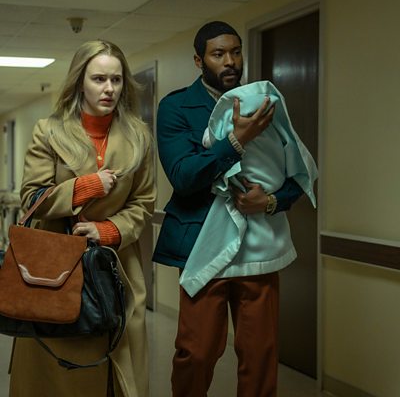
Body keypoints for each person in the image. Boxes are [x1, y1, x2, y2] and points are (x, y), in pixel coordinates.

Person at [152, 21, 314, 397]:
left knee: (260, 355)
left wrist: (270, 201)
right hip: (204, 245)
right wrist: (237, 140)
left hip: (260, 248)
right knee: (196, 353)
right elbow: (184, 177)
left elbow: (296, 169)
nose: (230, 61)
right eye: (218, 54)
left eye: (235, 52)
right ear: (199, 60)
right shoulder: (176, 106)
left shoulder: (263, 102)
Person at [9, 40, 156, 397]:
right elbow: (32, 198)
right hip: (55, 266)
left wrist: (108, 230)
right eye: (99, 79)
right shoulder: (49, 131)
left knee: (116, 368)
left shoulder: (139, 136)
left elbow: (144, 203)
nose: (109, 89)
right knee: (60, 371)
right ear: (80, 82)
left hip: (116, 264)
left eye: (116, 80)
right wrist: (85, 186)